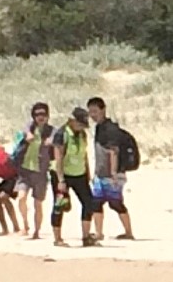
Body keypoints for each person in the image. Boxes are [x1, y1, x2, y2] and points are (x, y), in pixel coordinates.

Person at [86, 93, 140, 240]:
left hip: (112, 174)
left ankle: (129, 232)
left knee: (115, 203)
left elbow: (114, 151)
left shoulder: (110, 129)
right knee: (96, 203)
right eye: (90, 112)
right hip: (101, 174)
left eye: (95, 111)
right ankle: (99, 233)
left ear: (103, 110)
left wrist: (114, 173)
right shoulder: (99, 128)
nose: (92, 115)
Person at [10, 102, 57, 238]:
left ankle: (37, 231)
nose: (40, 117)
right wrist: (28, 134)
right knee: (21, 198)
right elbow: (25, 130)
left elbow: (56, 137)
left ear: (47, 115)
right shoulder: (30, 127)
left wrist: (51, 141)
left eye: (43, 114)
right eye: (37, 114)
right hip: (25, 170)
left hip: (40, 172)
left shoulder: (51, 131)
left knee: (38, 203)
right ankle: (25, 225)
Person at [56, 105, 99, 246]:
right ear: (72, 121)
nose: (81, 127)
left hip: (79, 174)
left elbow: (84, 155)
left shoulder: (82, 135)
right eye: (79, 124)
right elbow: (59, 158)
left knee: (88, 203)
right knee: (59, 205)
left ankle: (86, 237)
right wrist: (61, 180)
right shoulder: (62, 133)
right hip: (64, 174)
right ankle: (58, 239)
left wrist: (88, 173)